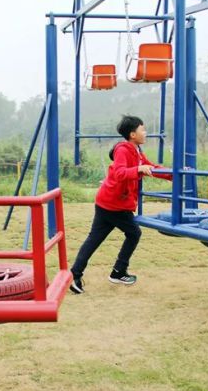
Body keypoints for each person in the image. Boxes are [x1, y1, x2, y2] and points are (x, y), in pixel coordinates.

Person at [69, 115, 172, 294]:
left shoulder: (137, 151)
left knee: (94, 239)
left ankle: (75, 275)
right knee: (133, 233)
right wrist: (138, 169)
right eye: (143, 129)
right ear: (133, 134)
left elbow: (151, 168)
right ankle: (118, 271)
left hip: (108, 202)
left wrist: (174, 174)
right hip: (115, 203)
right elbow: (120, 173)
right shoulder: (123, 150)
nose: (145, 132)